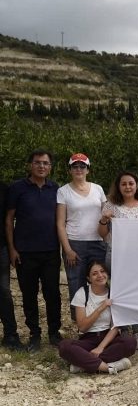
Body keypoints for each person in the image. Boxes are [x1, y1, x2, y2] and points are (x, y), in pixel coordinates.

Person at [5, 149, 63, 352]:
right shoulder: (17, 188)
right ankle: (34, 335)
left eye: (45, 163)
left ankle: (55, 334)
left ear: (50, 167)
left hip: (50, 251)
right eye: (38, 162)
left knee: (53, 294)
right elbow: (9, 218)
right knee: (29, 296)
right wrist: (12, 249)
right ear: (30, 165)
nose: (41, 166)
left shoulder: (56, 188)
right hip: (25, 252)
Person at [98, 171, 138, 350]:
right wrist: (104, 220)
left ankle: (136, 331)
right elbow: (102, 234)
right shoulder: (111, 206)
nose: (128, 187)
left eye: (131, 183)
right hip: (115, 255)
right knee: (117, 293)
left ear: (137, 185)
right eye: (124, 184)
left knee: (136, 294)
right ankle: (121, 329)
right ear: (118, 187)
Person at [58, 260, 136, 374]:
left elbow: (116, 326)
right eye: (94, 273)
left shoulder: (113, 294)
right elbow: (83, 327)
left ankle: (83, 364)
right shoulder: (82, 293)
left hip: (108, 339)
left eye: (102, 271)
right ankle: (108, 367)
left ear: (107, 274)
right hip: (88, 339)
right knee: (64, 346)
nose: (100, 275)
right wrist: (101, 307)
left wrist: (101, 347)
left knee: (130, 342)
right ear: (89, 278)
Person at [56, 153, 107, 320]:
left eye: (82, 166)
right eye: (75, 166)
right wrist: (67, 249)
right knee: (76, 284)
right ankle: (80, 323)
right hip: (74, 244)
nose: (79, 169)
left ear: (88, 170)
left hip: (98, 243)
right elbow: (60, 223)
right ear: (70, 170)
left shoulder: (98, 189)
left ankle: (102, 321)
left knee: (100, 283)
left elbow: (106, 216)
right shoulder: (63, 191)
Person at [0, 180, 24, 351]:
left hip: (0, 247)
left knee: (4, 292)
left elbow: (9, 219)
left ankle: (10, 335)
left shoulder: (4, 188)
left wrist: (11, 248)